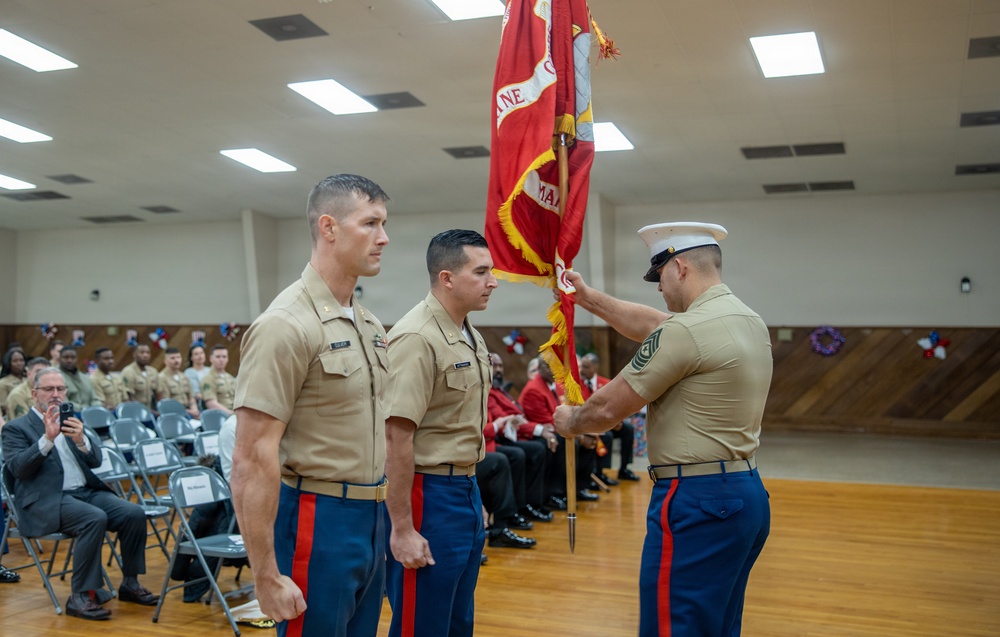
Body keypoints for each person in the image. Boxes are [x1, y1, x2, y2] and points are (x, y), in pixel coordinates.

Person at [553, 222, 772, 637]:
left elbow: (606, 409)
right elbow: (655, 325)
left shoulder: (685, 331)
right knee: (717, 624)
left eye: (659, 277)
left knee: (673, 625)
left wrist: (570, 421)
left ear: (680, 268)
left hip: (697, 500)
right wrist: (586, 298)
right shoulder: (746, 319)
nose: (658, 289)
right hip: (745, 492)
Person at [231, 174, 391, 637]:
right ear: (329, 228)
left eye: (384, 224)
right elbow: (251, 458)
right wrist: (264, 574)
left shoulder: (366, 321)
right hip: (317, 520)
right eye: (371, 223)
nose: (384, 238)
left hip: (371, 515)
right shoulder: (285, 324)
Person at [383, 229, 496, 637]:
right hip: (425, 494)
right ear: (447, 278)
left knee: (457, 620)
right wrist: (402, 528)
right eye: (481, 272)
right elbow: (396, 437)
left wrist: (471, 498)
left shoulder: (468, 332)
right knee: (423, 622)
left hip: (463, 491)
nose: (493, 282)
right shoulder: (417, 337)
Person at [2, 367, 160, 620]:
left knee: (133, 513)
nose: (56, 394)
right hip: (46, 500)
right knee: (93, 518)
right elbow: (19, 469)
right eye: (49, 389)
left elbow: (96, 461)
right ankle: (80, 596)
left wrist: (80, 440)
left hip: (84, 492)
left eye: (60, 389)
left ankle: (130, 582)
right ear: (34, 393)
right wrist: (47, 439)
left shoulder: (72, 421)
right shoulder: (16, 428)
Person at [519, 358, 600, 504]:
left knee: (592, 436)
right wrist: (579, 436)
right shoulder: (534, 389)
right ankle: (556, 492)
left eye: (555, 366)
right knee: (568, 442)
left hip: (555, 428)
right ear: (540, 368)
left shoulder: (553, 385)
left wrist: (583, 431)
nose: (551, 370)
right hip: (539, 433)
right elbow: (546, 421)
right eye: (547, 366)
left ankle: (580, 487)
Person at [487, 352, 553, 522]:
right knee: (526, 452)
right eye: (495, 366)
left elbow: (516, 416)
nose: (499, 370)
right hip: (496, 439)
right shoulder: (488, 391)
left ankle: (537, 501)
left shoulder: (500, 390)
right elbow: (502, 419)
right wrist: (537, 429)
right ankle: (521, 507)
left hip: (508, 435)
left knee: (540, 445)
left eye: (501, 366)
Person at [580, 353, 638, 482]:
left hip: (607, 421)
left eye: (586, 367)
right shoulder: (577, 384)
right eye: (581, 366)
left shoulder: (605, 383)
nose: (582, 370)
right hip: (591, 424)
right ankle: (601, 472)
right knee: (607, 436)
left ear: (595, 367)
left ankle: (624, 468)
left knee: (627, 429)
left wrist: (618, 420)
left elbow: (616, 404)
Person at [157, 347, 200, 418]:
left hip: (190, 412)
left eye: (178, 357)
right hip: (174, 414)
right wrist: (189, 412)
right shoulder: (162, 378)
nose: (176, 360)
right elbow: (167, 404)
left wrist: (194, 410)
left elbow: (191, 398)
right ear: (165, 361)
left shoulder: (184, 377)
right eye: (172, 358)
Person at [121, 344, 160, 411]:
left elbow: (159, 393)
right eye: (142, 352)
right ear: (134, 354)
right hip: (136, 411)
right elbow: (129, 398)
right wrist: (147, 411)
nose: (145, 355)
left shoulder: (153, 371)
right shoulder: (128, 372)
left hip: (151, 409)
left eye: (148, 353)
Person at [200, 345, 236, 416]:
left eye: (224, 357)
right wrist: (232, 414)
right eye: (218, 357)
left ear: (227, 359)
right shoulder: (208, 379)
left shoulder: (230, 378)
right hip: (222, 416)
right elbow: (211, 404)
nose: (221, 359)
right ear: (211, 358)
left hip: (236, 413)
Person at [0, 348, 26, 416]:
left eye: (21, 360)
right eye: (15, 361)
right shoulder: (3, 383)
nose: (19, 363)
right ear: (8, 363)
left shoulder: (27, 380)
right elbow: (2, 406)